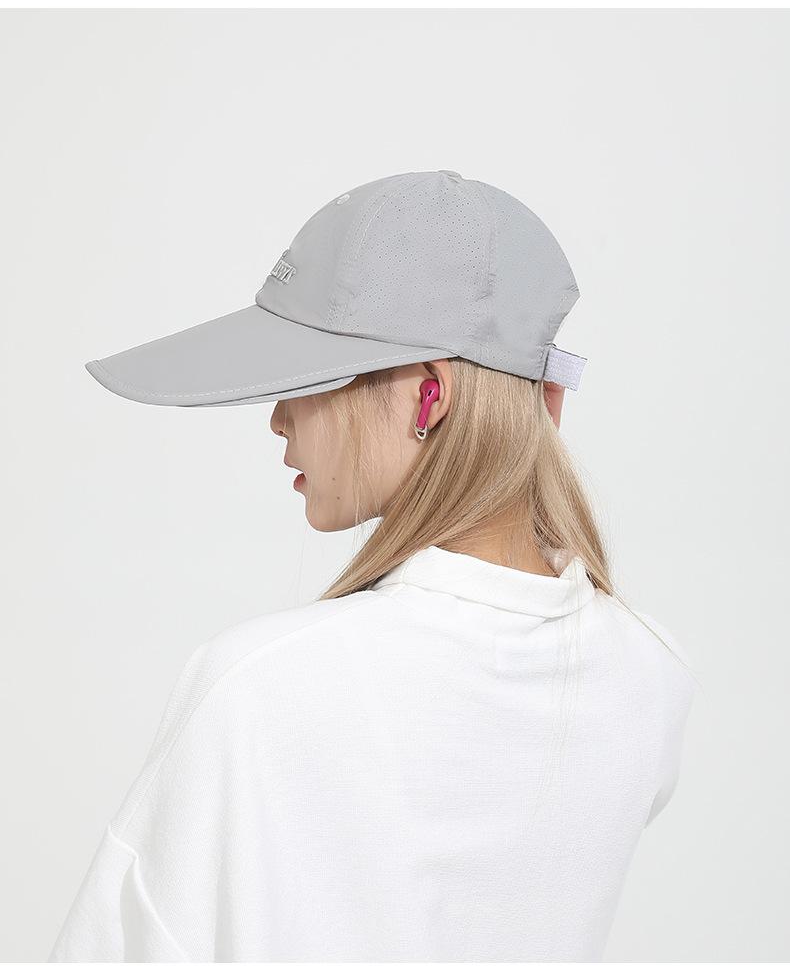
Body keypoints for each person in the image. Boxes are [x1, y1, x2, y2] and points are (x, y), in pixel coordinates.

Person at [48, 169, 698, 962]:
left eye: (309, 377)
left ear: (430, 397)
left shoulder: (258, 685)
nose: (278, 418)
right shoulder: (649, 672)